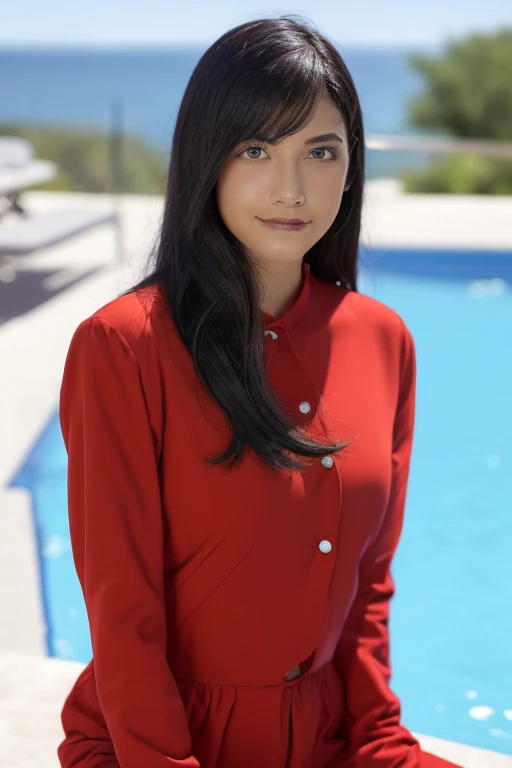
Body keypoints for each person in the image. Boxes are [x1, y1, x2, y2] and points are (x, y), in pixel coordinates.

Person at [57, 15, 462, 768]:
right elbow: (123, 616)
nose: (290, 187)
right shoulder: (124, 347)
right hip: (155, 745)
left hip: (331, 742)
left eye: (320, 151)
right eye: (255, 149)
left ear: (351, 167)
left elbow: (369, 592)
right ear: (205, 159)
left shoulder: (385, 340)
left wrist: (380, 742)